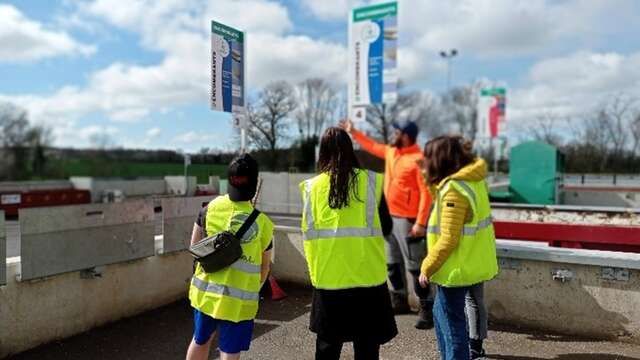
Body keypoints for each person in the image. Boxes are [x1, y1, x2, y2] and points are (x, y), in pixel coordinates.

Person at [300, 127, 398, 360]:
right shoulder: (372, 182)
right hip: (368, 280)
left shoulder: (311, 188)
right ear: (350, 149)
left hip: (329, 281)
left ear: (322, 153)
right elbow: (387, 228)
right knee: (367, 350)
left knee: (327, 350)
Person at [339, 118, 433, 329]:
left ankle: (427, 309)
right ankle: (399, 300)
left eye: (396, 132)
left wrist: (420, 223)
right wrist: (353, 131)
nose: (392, 135)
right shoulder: (392, 151)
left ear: (406, 136)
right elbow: (372, 146)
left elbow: (427, 194)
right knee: (392, 263)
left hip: (409, 222)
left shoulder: (418, 159)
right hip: (389, 218)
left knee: (416, 268)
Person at [186, 154, 274, 360]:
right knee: (230, 352)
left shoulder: (208, 209)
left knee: (200, 340)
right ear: (254, 184)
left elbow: (194, 248)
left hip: (204, 294)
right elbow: (265, 268)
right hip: (239, 302)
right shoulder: (263, 224)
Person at [417, 135, 498, 360]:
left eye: (429, 158)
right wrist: (428, 178)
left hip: (454, 268)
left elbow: (449, 238)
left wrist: (427, 266)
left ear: (440, 159)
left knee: (452, 325)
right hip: (472, 260)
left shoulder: (454, 190)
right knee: (441, 314)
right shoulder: (472, 181)